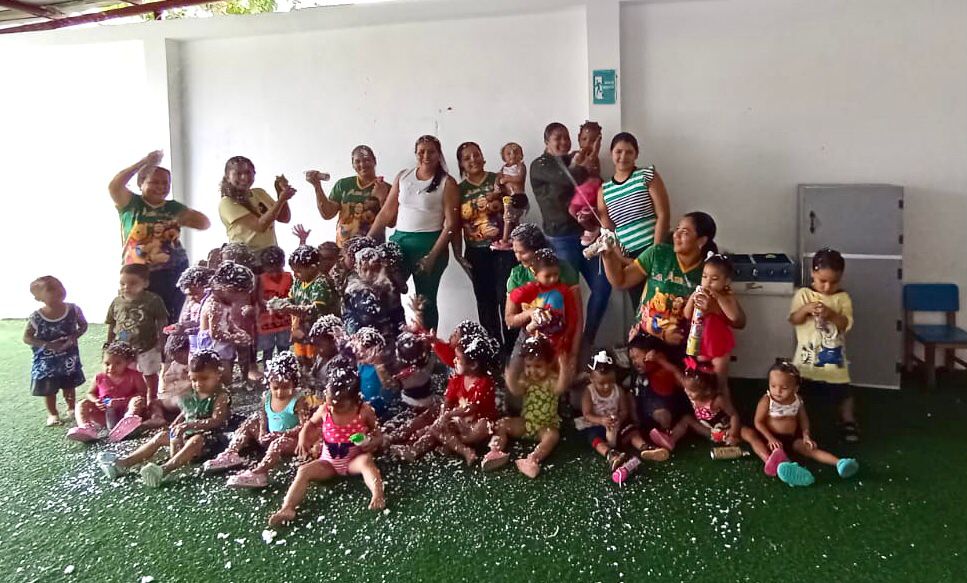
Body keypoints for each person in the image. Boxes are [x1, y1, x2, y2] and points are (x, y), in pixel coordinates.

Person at [268, 364, 385, 525]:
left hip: (353, 460)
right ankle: (287, 507)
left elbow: (379, 435)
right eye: (331, 402)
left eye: (340, 405)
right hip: (328, 462)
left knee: (366, 461)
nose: (334, 407)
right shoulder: (325, 409)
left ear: (355, 399)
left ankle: (378, 494)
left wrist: (372, 442)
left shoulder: (364, 411)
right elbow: (310, 424)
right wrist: (303, 437)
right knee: (303, 471)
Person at [97, 350, 231, 488]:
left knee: (195, 440)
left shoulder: (221, 395)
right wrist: (177, 422)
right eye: (194, 380)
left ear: (218, 374)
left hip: (211, 439)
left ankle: (163, 470)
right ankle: (124, 463)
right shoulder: (193, 392)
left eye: (204, 379)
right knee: (161, 436)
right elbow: (188, 411)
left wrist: (188, 425)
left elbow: (216, 421)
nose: (198, 384)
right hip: (187, 433)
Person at [530, 122, 612, 348]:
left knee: (604, 286)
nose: (563, 142)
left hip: (587, 235)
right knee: (568, 297)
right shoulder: (540, 165)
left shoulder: (574, 158)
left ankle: (587, 341)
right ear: (546, 141)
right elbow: (567, 178)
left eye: (566, 137)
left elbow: (595, 184)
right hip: (560, 239)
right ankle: (566, 349)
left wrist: (589, 161)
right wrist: (586, 164)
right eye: (558, 138)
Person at [368, 135, 460, 331]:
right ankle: (395, 339)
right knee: (386, 292)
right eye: (421, 152)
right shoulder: (403, 176)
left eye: (431, 152)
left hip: (429, 245)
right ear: (415, 153)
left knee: (425, 302)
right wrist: (367, 241)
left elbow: (451, 224)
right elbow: (386, 213)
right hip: (399, 243)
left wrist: (432, 257)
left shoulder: (447, 182)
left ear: (439, 154)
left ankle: (427, 344)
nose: (426, 156)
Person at [109, 150, 211, 322]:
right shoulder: (131, 203)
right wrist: (143, 163)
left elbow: (204, 223)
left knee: (171, 317)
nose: (161, 187)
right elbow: (115, 185)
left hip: (173, 271)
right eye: (154, 182)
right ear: (141, 183)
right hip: (138, 273)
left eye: (165, 183)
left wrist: (184, 218)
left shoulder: (173, 207)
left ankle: (169, 339)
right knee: (139, 318)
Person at [601, 212, 717, 353]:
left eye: (685, 232)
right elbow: (621, 281)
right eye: (677, 229)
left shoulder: (708, 272)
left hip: (684, 342)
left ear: (701, 241)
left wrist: (711, 307)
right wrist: (608, 257)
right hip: (645, 337)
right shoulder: (657, 253)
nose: (676, 235)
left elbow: (731, 317)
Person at [393, 329, 500, 465]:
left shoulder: (484, 382)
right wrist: (442, 416)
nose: (454, 360)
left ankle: (462, 449)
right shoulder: (457, 377)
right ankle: (407, 442)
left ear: (473, 365)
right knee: (437, 422)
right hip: (458, 419)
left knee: (478, 426)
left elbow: (470, 408)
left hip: (476, 424)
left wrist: (448, 415)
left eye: (458, 358)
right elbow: (448, 400)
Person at [205, 351, 310, 488]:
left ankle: (260, 473)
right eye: (275, 388)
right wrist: (262, 432)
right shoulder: (267, 396)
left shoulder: (299, 400)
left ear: (294, 384)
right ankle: (231, 453)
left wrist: (282, 434)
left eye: (285, 387)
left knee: (278, 443)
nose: (279, 392)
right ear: (269, 384)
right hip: (269, 436)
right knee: (251, 420)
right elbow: (263, 415)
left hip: (290, 442)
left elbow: (305, 426)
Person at [788, 248, 858, 442]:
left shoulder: (842, 298)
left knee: (843, 392)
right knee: (799, 391)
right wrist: (806, 309)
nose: (827, 287)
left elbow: (845, 324)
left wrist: (832, 314)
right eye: (823, 281)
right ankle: (796, 421)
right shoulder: (803, 294)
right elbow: (793, 319)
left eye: (834, 282)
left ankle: (848, 420)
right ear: (813, 273)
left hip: (834, 358)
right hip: (806, 358)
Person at [752, 360, 860, 487]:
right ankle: (778, 464)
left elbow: (804, 420)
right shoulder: (767, 400)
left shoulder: (797, 400)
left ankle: (839, 463)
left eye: (784, 388)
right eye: (773, 386)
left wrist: (806, 436)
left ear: (795, 388)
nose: (778, 391)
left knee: (810, 449)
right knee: (756, 442)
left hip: (792, 438)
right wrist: (770, 438)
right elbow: (758, 422)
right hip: (770, 438)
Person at [454, 141, 518, 348]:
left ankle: (512, 351)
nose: (473, 160)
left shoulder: (498, 179)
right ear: (461, 164)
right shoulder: (458, 190)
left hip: (504, 250)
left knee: (507, 298)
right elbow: (454, 224)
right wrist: (458, 254)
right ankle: (493, 351)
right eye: (467, 158)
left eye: (476, 154)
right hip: (476, 252)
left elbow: (517, 207)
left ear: (483, 156)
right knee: (485, 302)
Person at [481, 335, 569, 478]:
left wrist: (563, 368)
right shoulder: (527, 379)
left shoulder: (551, 380)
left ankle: (533, 458)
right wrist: (510, 377)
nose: (532, 371)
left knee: (553, 436)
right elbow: (516, 390)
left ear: (549, 364)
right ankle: (495, 451)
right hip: (526, 423)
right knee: (502, 424)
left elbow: (560, 388)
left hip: (545, 425)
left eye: (538, 366)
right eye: (528, 366)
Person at [597, 132, 669, 306]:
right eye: (618, 151)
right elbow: (608, 232)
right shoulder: (604, 191)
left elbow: (663, 214)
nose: (623, 157)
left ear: (636, 154)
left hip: (656, 249)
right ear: (611, 153)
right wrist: (622, 259)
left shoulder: (647, 175)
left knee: (666, 305)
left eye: (629, 152)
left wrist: (655, 252)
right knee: (642, 308)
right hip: (630, 259)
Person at [576, 350, 669, 472]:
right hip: (598, 425)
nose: (606, 386)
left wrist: (619, 419)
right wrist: (602, 420)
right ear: (591, 378)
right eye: (601, 383)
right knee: (594, 437)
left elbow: (624, 410)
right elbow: (587, 414)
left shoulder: (618, 390)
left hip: (617, 424)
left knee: (632, 431)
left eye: (610, 382)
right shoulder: (589, 392)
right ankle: (611, 454)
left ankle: (645, 447)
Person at [648, 361, 763, 457]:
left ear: (706, 391)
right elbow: (675, 371)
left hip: (727, 431)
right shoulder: (690, 389)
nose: (687, 392)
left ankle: (766, 456)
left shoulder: (717, 400)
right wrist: (659, 359)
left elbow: (734, 415)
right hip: (709, 432)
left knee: (750, 434)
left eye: (691, 391)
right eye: (687, 389)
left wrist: (733, 433)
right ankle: (670, 441)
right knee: (687, 419)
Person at [504, 223, 582, 363]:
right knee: (512, 373)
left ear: (537, 250)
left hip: (561, 334)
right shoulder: (517, 275)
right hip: (529, 334)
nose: (518, 258)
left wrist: (574, 355)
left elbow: (577, 318)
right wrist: (531, 313)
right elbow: (510, 319)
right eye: (515, 252)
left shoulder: (563, 270)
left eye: (522, 252)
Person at [24, 276, 87, 427]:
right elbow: (26, 337)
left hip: (68, 358)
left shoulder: (74, 310)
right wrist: (47, 345)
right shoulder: (36, 317)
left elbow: (83, 325)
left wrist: (74, 336)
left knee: (69, 385)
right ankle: (53, 413)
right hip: (47, 363)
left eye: (60, 286)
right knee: (49, 390)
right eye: (51, 289)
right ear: (38, 297)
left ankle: (71, 408)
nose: (58, 290)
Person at [683, 253, 746, 396]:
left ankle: (723, 402)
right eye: (704, 277)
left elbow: (734, 316)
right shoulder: (699, 293)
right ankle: (704, 406)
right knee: (702, 383)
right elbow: (687, 314)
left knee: (719, 384)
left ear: (726, 282)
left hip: (719, 348)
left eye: (714, 279)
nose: (708, 282)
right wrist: (693, 297)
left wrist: (718, 298)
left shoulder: (727, 296)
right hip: (701, 345)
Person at [105, 264, 168, 405]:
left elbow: (161, 321)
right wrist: (109, 344)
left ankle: (152, 399)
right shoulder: (117, 302)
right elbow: (111, 324)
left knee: (150, 374)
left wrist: (162, 341)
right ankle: (132, 401)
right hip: (123, 349)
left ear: (145, 283)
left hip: (148, 347)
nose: (126, 287)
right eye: (122, 283)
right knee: (128, 374)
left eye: (133, 283)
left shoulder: (153, 300)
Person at [306, 145, 390, 248]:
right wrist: (317, 186)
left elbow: (391, 223)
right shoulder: (343, 185)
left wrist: (382, 198)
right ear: (353, 165)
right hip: (344, 250)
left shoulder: (385, 187)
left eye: (367, 160)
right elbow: (327, 214)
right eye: (357, 161)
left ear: (374, 161)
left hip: (373, 251)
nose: (362, 164)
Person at [67, 341, 147, 443]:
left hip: (125, 410)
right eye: (107, 364)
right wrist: (96, 401)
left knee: (137, 400)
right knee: (82, 404)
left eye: (117, 363)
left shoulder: (134, 376)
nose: (111, 368)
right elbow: (90, 393)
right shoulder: (99, 377)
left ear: (127, 362)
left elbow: (142, 393)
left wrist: (123, 401)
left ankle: (128, 423)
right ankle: (85, 428)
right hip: (104, 413)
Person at [196, 261, 256, 385]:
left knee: (227, 373)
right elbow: (215, 334)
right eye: (241, 295)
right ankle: (221, 394)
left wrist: (238, 331)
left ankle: (228, 390)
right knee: (223, 378)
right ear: (229, 289)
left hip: (222, 345)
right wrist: (235, 338)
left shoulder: (224, 302)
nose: (241, 299)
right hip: (213, 349)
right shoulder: (215, 306)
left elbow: (228, 322)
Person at [218, 155, 293, 252]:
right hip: (246, 257)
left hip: (270, 256)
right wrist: (281, 200)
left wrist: (280, 192)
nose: (244, 177)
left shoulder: (260, 193)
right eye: (238, 173)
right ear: (228, 177)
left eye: (248, 172)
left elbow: (284, 218)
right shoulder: (227, 202)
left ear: (254, 173)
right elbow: (260, 226)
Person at [256, 246, 294, 368]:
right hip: (267, 322)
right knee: (268, 350)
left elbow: (293, 295)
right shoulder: (261, 279)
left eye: (278, 270)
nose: (275, 274)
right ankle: (268, 371)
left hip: (285, 321)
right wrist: (269, 304)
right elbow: (259, 299)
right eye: (271, 271)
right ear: (264, 268)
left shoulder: (288, 277)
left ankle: (285, 369)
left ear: (283, 264)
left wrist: (286, 303)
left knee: (284, 348)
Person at [491, 142, 528, 251]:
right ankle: (516, 237)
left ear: (521, 155)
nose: (513, 155)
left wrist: (507, 178)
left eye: (516, 152)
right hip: (508, 196)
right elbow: (498, 178)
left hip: (518, 196)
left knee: (508, 216)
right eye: (508, 153)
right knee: (513, 219)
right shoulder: (503, 168)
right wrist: (497, 183)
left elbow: (519, 178)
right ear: (503, 157)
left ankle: (505, 239)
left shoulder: (520, 166)